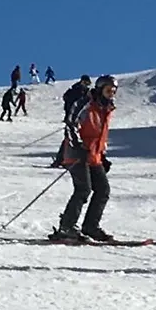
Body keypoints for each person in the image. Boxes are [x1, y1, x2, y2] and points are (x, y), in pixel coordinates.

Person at [49, 75, 117, 242]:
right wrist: (79, 147)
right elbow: (70, 124)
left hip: (94, 155)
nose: (111, 94)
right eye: (108, 91)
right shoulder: (85, 104)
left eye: (113, 91)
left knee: (103, 190)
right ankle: (66, 227)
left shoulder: (107, 109)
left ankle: (90, 227)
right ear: (100, 89)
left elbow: (100, 135)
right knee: (83, 189)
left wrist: (102, 155)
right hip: (77, 154)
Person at [50, 74, 92, 168]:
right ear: (82, 81)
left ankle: (68, 159)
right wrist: (70, 116)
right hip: (72, 118)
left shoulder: (85, 92)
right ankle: (61, 160)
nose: (87, 85)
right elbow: (69, 101)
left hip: (81, 119)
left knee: (75, 139)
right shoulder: (75, 90)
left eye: (88, 84)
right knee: (69, 139)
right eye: (86, 83)